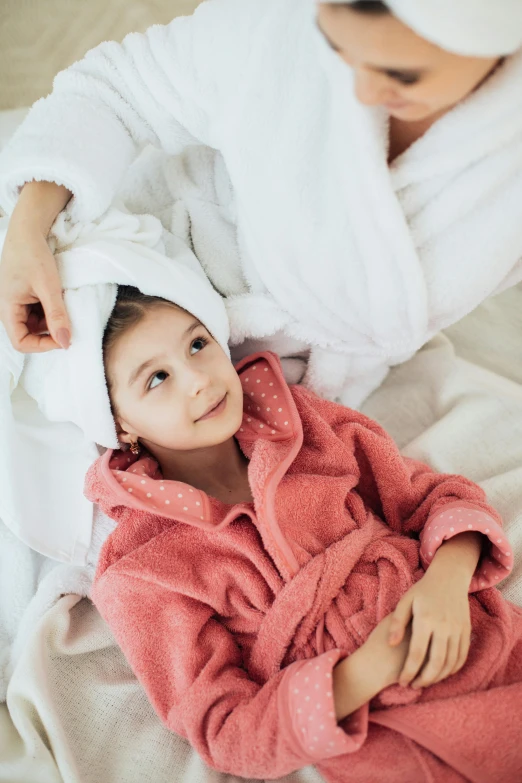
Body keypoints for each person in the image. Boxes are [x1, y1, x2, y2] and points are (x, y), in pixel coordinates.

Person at [86, 283, 522, 782]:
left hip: (468, 631)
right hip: (380, 728)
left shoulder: (303, 424)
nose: (198, 381)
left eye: (197, 344)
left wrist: (445, 585)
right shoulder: (138, 571)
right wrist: (369, 670)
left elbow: (435, 497)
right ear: (121, 424)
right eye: (158, 377)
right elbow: (225, 728)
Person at [1, 0, 522, 406]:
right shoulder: (277, 23)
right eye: (338, 50)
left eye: (402, 75)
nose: (361, 92)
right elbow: (112, 91)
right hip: (145, 269)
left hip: (321, 385)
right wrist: (27, 229)